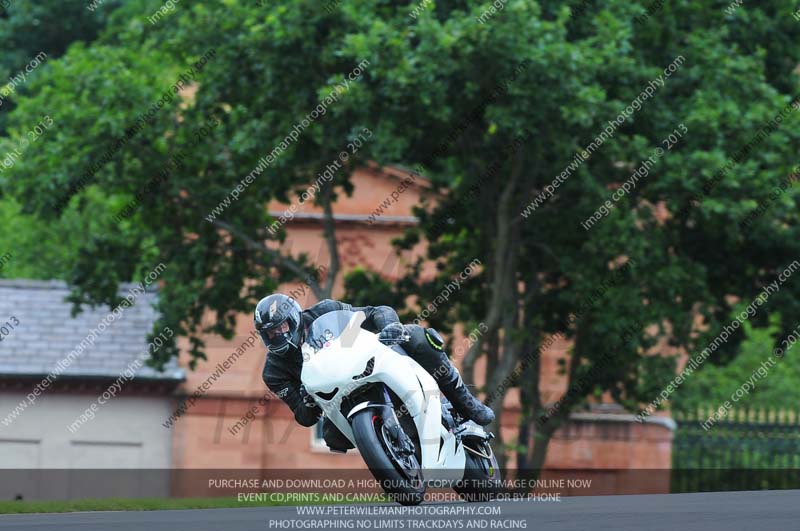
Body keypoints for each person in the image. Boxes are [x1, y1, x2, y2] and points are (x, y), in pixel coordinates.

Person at [256, 293, 494, 453]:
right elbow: (304, 417)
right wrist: (307, 403)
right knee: (333, 438)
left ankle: (465, 403)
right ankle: (389, 453)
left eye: (282, 327)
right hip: (338, 398)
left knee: (417, 337)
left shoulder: (325, 311)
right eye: (271, 333)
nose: (279, 335)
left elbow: (373, 312)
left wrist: (389, 326)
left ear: (295, 318)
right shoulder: (274, 372)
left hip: (366, 364)